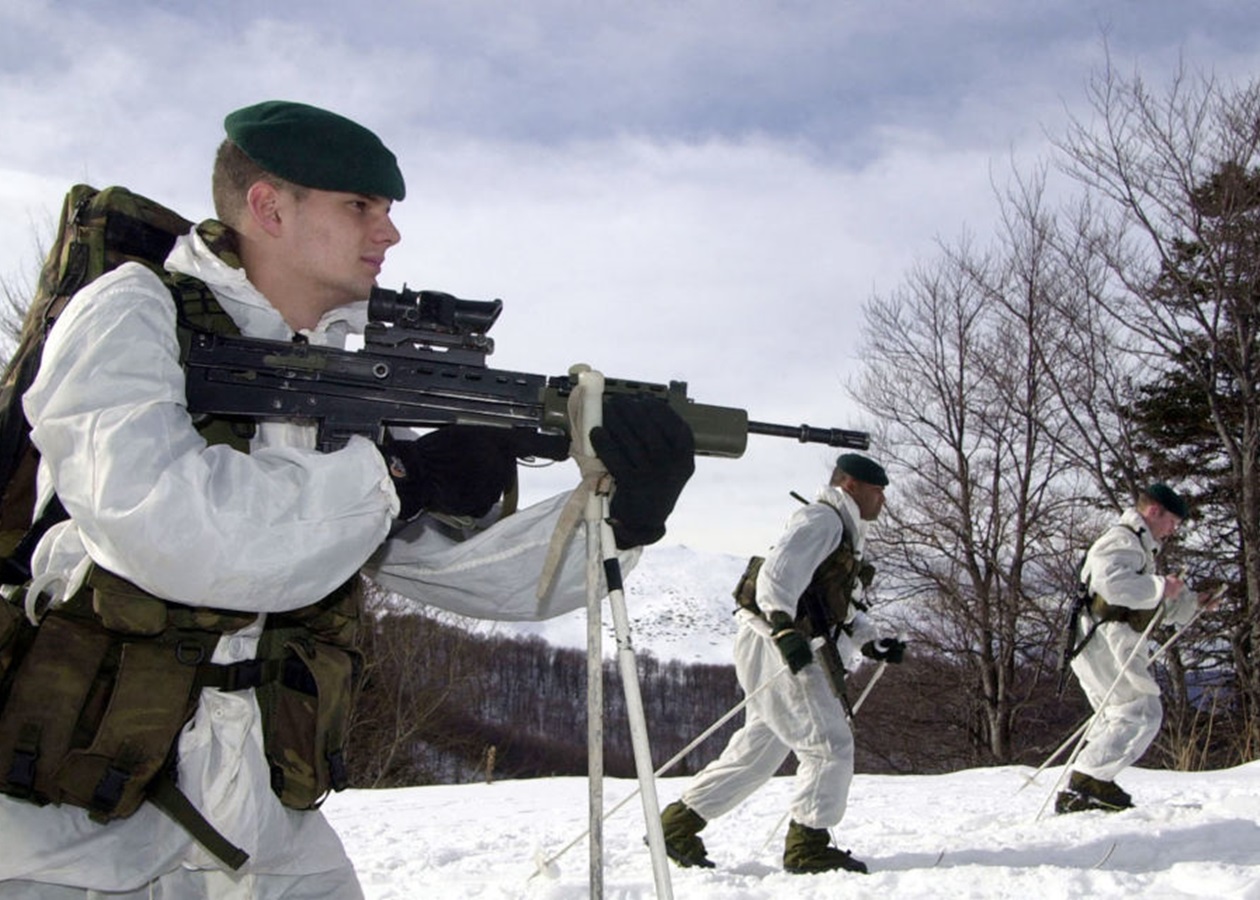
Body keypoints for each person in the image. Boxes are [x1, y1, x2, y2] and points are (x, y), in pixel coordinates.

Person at [0, 101, 694, 898]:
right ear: (268, 206)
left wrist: (624, 515)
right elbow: (162, 524)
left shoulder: (347, 374)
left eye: (389, 211)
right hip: (80, 823)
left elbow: (465, 572)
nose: (389, 232)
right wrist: (400, 482)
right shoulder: (135, 310)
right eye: (360, 206)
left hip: (265, 815)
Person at [659, 453, 904, 875]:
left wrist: (870, 640)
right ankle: (808, 848)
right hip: (781, 645)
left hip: (779, 641)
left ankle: (677, 825)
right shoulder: (822, 521)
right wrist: (783, 629)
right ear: (851, 486)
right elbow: (777, 576)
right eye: (877, 490)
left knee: (758, 753)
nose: (883, 499)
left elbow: (839, 608)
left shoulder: (844, 530)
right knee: (830, 746)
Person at [1056, 483, 1217, 814]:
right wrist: (1161, 586)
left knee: (1120, 714)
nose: (1173, 531)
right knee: (1140, 710)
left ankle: (1087, 789)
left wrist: (1193, 603)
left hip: (1104, 642)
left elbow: (1148, 604)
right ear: (1154, 511)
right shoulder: (1122, 541)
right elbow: (1112, 585)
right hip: (1104, 643)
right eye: (1172, 521)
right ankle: (1087, 782)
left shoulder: (1138, 547)